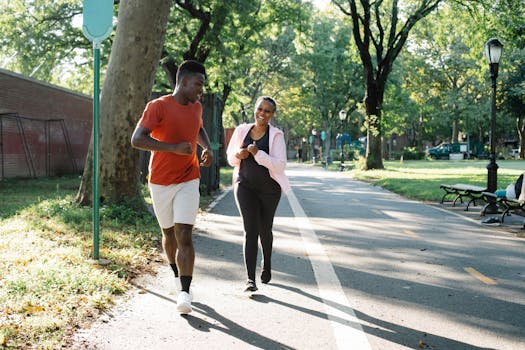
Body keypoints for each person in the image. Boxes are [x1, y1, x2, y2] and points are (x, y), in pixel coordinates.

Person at [131, 60, 213, 314]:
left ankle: (185, 292)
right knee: (168, 234)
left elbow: (198, 127)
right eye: (198, 84)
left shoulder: (197, 106)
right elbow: (137, 140)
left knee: (184, 234)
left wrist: (207, 147)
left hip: (189, 178)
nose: (201, 90)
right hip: (160, 181)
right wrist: (173, 148)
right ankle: (177, 274)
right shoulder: (158, 107)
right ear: (184, 81)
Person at [226, 96, 290, 292]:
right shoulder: (241, 131)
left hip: (269, 189)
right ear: (254, 109)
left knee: (265, 229)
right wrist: (239, 155)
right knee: (250, 230)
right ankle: (250, 280)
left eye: (267, 111)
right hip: (244, 185)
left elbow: (280, 166)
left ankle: (267, 263)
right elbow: (230, 158)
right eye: (260, 109)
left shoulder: (276, 135)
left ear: (272, 115)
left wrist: (257, 154)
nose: (262, 114)